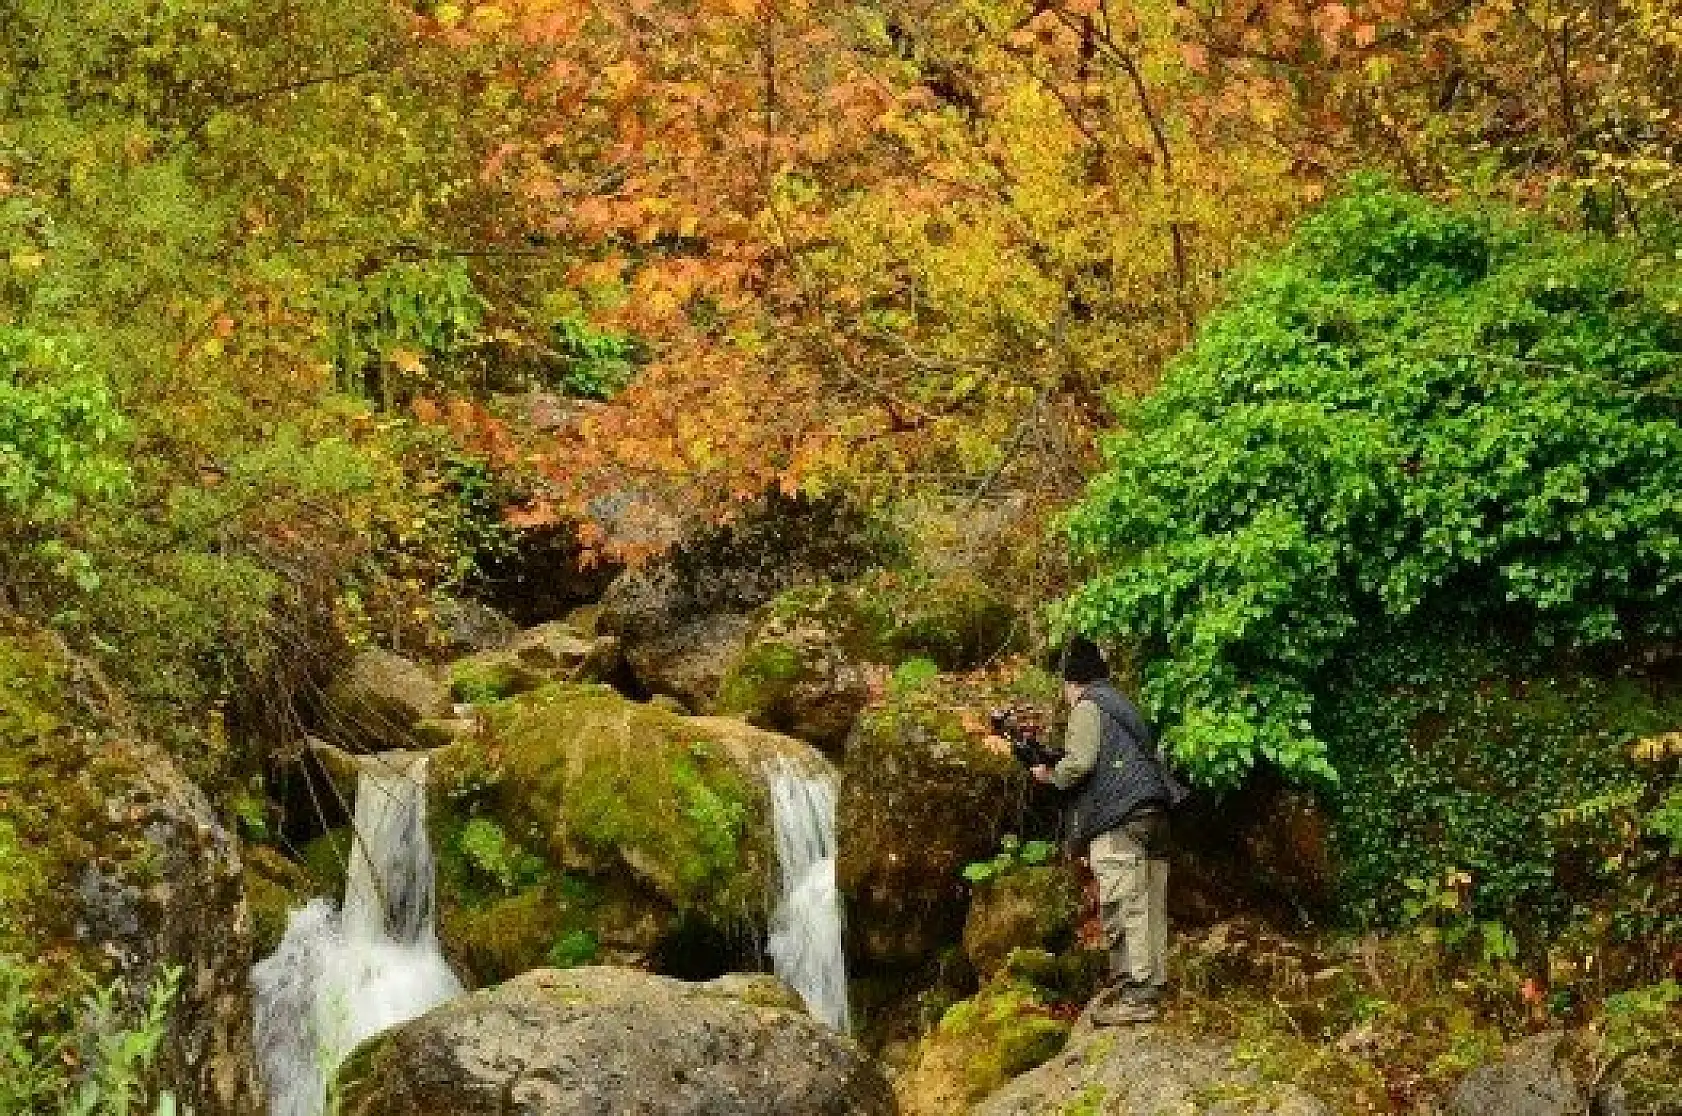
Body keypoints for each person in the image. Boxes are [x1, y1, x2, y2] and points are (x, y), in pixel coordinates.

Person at [1029, 636, 1172, 1025]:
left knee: (1125, 904)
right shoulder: (1123, 706)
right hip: (1154, 813)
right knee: (1150, 904)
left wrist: (1049, 775)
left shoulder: (1088, 706)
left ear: (1072, 683)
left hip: (1120, 819)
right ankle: (1152, 984)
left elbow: (1079, 763)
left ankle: (1138, 995)